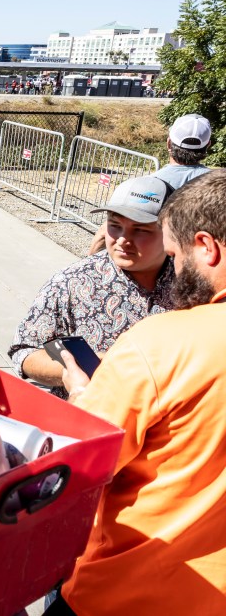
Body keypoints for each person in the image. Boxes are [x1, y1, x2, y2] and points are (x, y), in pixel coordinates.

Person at [51, 170, 226, 616]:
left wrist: (80, 396)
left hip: (125, 590)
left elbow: (79, 463)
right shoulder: (79, 281)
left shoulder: (161, 343)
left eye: (174, 253)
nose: (177, 267)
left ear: (207, 247)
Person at [10, 175, 175, 394]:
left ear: (172, 231)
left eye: (141, 229)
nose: (123, 239)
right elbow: (25, 352)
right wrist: (77, 370)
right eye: (115, 226)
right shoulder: (72, 282)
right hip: (91, 421)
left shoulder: (198, 283)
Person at [88, 113, 215, 255]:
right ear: (207, 146)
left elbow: (104, 233)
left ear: (168, 143)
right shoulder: (217, 185)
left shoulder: (149, 186)